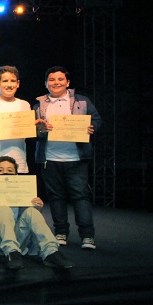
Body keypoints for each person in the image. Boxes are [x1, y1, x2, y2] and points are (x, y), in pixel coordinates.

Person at [34, 66, 102, 250]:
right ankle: (60, 233)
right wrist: (40, 129)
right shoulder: (39, 104)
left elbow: (96, 120)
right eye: (52, 80)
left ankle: (87, 236)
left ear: (68, 82)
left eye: (60, 79)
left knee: (81, 197)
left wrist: (91, 128)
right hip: (50, 158)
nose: (56, 83)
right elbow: (34, 131)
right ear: (46, 83)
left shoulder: (82, 101)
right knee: (56, 198)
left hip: (76, 158)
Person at [0, 156, 74, 270]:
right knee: (3, 209)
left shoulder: (25, 195)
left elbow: (31, 224)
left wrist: (37, 208)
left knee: (31, 211)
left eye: (10, 171)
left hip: (19, 243)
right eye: (0, 170)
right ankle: (11, 252)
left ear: (16, 175)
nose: (5, 173)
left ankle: (51, 252)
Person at [0, 66, 33, 174]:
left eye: (13, 81)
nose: (9, 85)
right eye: (5, 81)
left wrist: (33, 126)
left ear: (18, 83)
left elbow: (27, 132)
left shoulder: (24, 105)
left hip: (19, 160)